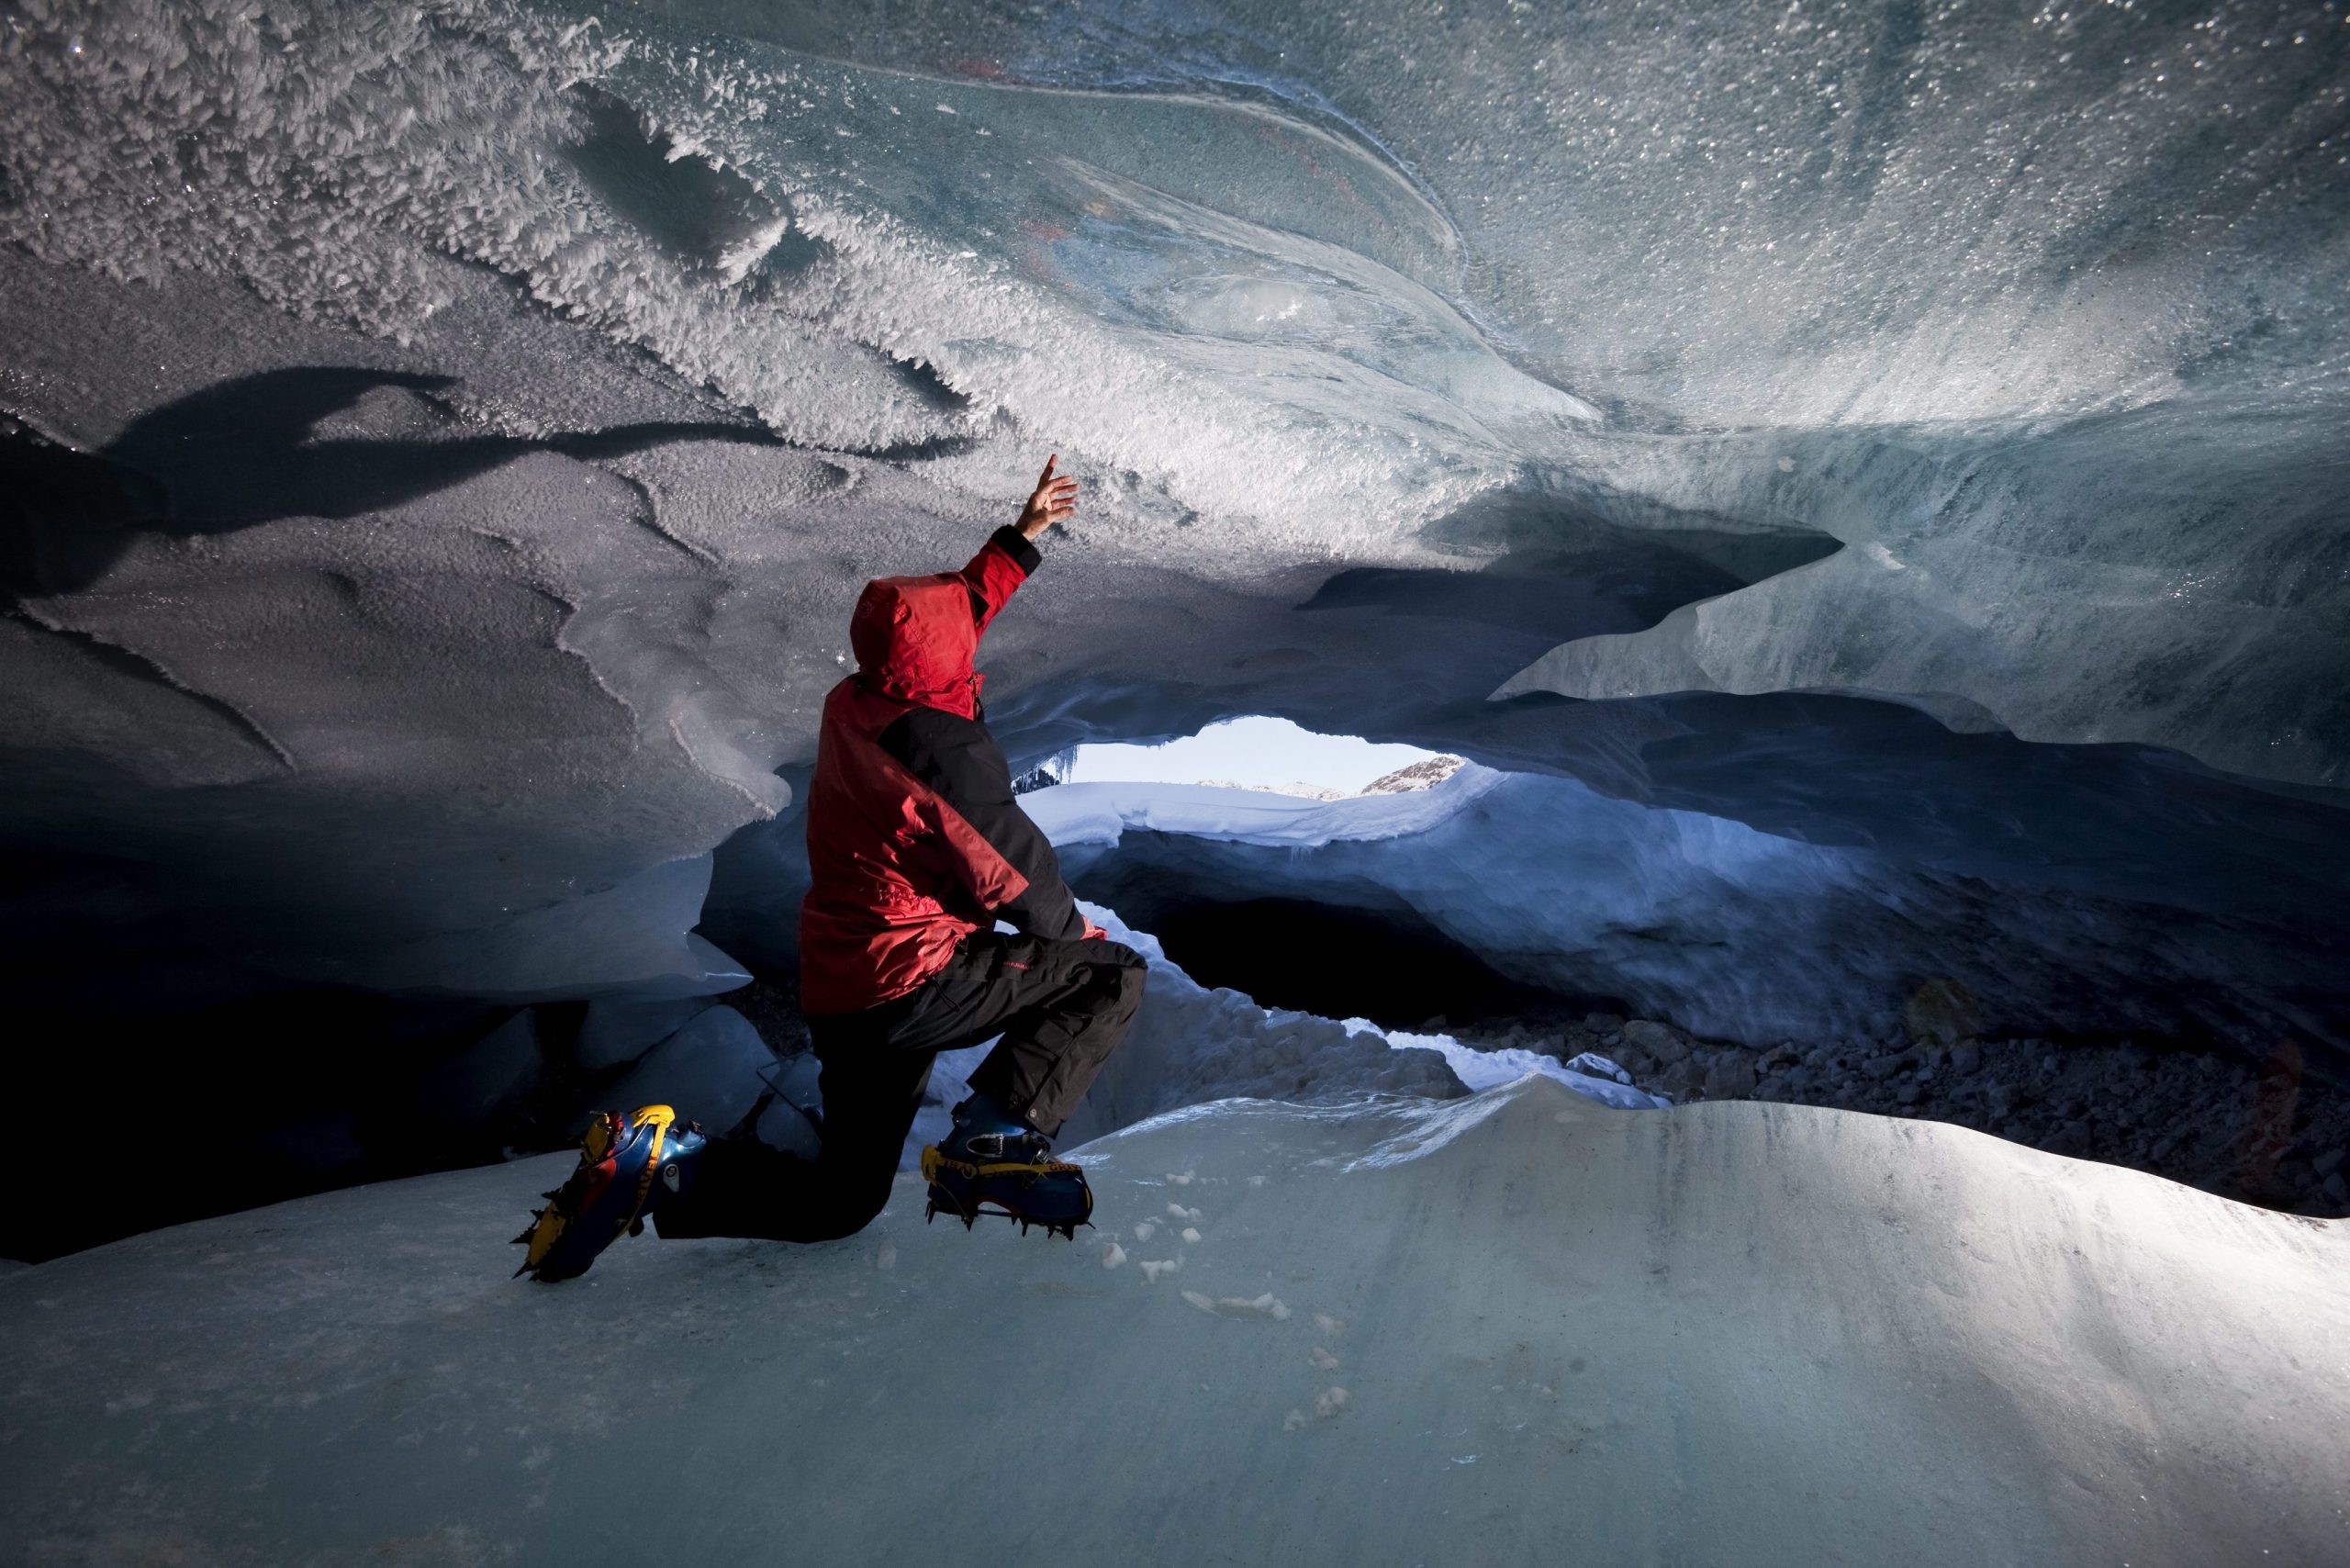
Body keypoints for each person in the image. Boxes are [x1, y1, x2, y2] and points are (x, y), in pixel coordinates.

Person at [518, 457, 1147, 1281]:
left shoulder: (864, 700)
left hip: (845, 991)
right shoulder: (936, 744)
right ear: (944, 656)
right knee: (1111, 976)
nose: (971, 624)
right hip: (912, 979)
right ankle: (993, 1142)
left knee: (841, 1202)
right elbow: (1008, 865)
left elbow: (950, 616)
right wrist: (1072, 932)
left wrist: (1020, 541)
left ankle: (661, 1170)